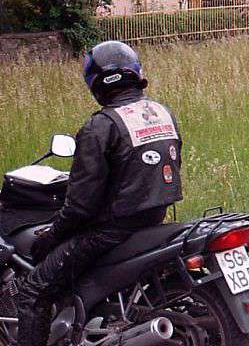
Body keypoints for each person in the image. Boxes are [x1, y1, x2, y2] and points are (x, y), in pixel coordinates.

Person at [15, 41, 183, 346]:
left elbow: (79, 207)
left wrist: (48, 239)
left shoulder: (100, 126)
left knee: (33, 291)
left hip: (110, 231)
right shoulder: (162, 112)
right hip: (152, 219)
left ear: (97, 82)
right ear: (135, 72)